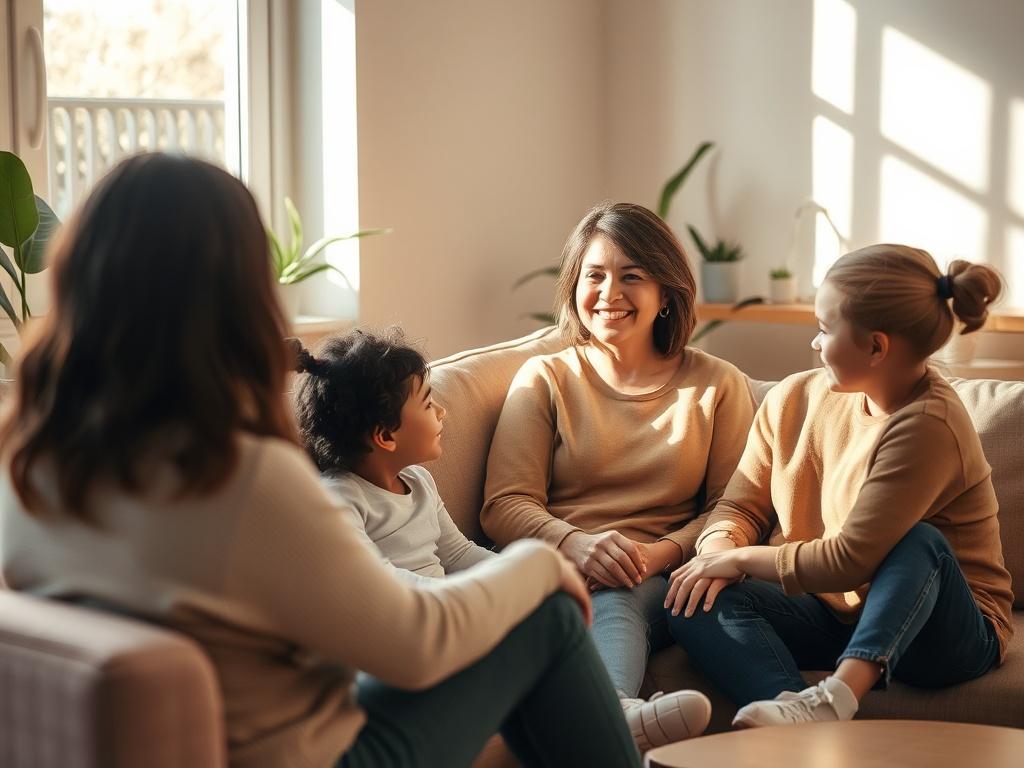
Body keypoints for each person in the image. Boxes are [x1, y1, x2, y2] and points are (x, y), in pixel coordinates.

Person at [0, 153, 646, 768]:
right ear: (237, 296)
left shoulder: (31, 462)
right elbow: (414, 646)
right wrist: (537, 565)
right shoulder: (235, 474)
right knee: (546, 618)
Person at [665, 244, 1015, 728]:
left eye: (825, 330)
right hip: (835, 614)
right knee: (696, 598)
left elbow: (850, 560)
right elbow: (740, 505)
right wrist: (719, 549)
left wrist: (743, 559)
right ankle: (794, 716)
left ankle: (836, 699)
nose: (814, 343)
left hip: (942, 633)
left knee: (919, 542)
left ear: (875, 347)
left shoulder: (929, 424)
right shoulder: (793, 398)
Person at [481, 202, 756, 750]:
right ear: (573, 287)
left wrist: (661, 554)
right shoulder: (546, 378)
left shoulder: (718, 384)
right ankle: (612, 718)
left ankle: (605, 719)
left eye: (632, 276)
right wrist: (575, 544)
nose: (610, 293)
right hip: (560, 567)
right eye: (595, 276)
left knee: (619, 594)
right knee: (595, 594)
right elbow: (504, 503)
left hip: (658, 574)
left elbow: (736, 506)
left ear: (666, 292)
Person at [290, 329, 495, 583]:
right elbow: (383, 582)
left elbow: (457, 554)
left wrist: (516, 571)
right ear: (385, 437)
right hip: (416, 614)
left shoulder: (419, 481)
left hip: (450, 607)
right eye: (428, 405)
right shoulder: (342, 499)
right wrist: (463, 596)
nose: (441, 412)